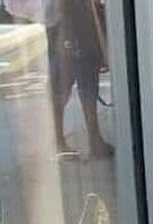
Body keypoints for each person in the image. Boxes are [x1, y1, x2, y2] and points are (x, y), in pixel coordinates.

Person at [45, 0, 114, 159]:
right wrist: (66, 33)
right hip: (71, 20)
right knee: (67, 82)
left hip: (77, 19)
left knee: (86, 78)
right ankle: (60, 141)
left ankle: (92, 138)